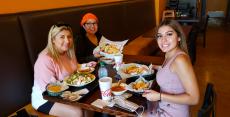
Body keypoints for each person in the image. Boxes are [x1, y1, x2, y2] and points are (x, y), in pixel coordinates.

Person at [31, 23, 96, 117]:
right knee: (77, 113)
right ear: (53, 39)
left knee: (89, 106)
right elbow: (48, 89)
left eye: (69, 37)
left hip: (68, 91)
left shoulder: (68, 51)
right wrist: (73, 94)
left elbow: (73, 67)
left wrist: (85, 65)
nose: (67, 41)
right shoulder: (45, 59)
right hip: (46, 98)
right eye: (62, 37)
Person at [142, 20, 199, 117]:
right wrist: (156, 67)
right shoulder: (169, 54)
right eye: (160, 36)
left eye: (169, 34)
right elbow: (171, 71)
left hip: (172, 113)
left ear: (179, 37)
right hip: (164, 107)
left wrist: (159, 96)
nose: (163, 40)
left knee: (128, 113)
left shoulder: (180, 60)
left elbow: (194, 99)